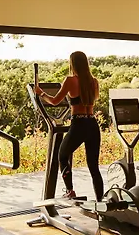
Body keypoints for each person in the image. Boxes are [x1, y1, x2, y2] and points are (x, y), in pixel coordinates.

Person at [34, 51, 104, 201]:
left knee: (62, 155)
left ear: (72, 64)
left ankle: (70, 190)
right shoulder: (94, 81)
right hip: (92, 124)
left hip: (79, 124)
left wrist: (41, 93)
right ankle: (100, 200)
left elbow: (54, 101)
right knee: (94, 166)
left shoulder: (70, 80)